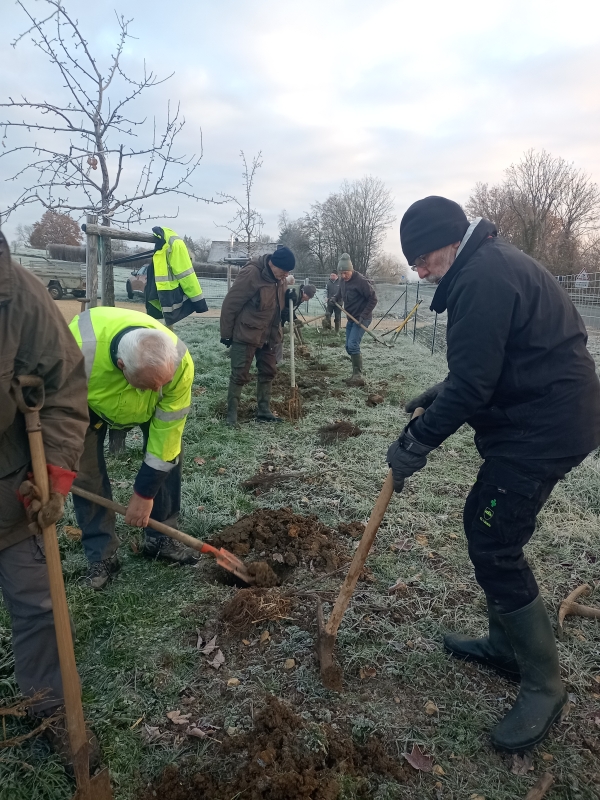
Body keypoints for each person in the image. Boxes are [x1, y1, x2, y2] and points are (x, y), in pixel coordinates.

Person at [386, 196, 600, 753]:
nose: (419, 270)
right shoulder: (491, 264)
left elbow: (475, 384)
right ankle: (505, 648)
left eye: (424, 258)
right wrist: (444, 392)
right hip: (543, 414)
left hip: (545, 426)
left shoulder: (483, 275)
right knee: (489, 526)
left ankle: (544, 686)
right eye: (413, 263)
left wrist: (418, 439)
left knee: (494, 536)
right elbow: (492, 362)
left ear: (452, 242)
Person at [0, 229, 94, 759]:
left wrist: (56, 471)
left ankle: (53, 714)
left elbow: (62, 386)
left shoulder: (19, 295)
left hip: (13, 488)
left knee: (38, 608)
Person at [68, 307, 196, 590]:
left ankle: (160, 537)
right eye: (148, 385)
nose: (156, 391)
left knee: (168, 457)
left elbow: (167, 435)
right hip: (88, 404)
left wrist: (144, 493)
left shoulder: (180, 363)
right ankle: (102, 555)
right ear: (121, 364)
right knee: (84, 471)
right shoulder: (75, 352)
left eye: (161, 385)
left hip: (150, 412)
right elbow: (59, 414)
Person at [220, 246, 295, 427]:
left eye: (287, 273)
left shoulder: (280, 279)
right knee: (239, 374)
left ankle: (263, 411)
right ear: (272, 264)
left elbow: (279, 303)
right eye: (283, 271)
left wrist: (291, 301)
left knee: (268, 371)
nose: (285, 275)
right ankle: (231, 417)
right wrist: (226, 333)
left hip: (269, 335)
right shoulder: (252, 274)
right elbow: (231, 303)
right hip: (246, 333)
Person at [145, 226, 208, 326]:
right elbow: (187, 276)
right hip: (168, 299)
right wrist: (200, 304)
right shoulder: (175, 245)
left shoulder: (168, 245)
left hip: (158, 298)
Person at [332, 253, 377, 386]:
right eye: (341, 273)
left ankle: (358, 376)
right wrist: (335, 298)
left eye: (346, 273)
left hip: (362, 319)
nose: (343, 276)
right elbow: (340, 293)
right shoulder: (343, 281)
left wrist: (363, 316)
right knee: (348, 346)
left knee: (353, 345)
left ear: (351, 270)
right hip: (351, 319)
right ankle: (355, 373)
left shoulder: (361, 282)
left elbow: (373, 299)